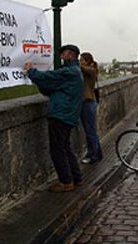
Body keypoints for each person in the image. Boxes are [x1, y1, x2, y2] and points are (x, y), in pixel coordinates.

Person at [24, 44, 83, 192]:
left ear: (70, 54)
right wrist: (39, 80)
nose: (61, 56)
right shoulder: (75, 71)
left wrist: (31, 70)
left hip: (61, 115)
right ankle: (76, 177)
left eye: (63, 53)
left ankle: (66, 182)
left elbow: (48, 77)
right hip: (68, 115)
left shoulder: (69, 71)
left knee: (57, 150)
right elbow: (51, 86)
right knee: (65, 147)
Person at [80, 52, 103, 164]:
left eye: (82, 60)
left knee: (90, 131)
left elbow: (84, 69)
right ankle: (97, 153)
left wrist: (74, 63)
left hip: (88, 103)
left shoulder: (92, 70)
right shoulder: (88, 70)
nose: (80, 62)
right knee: (91, 131)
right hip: (87, 103)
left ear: (88, 61)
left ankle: (92, 156)